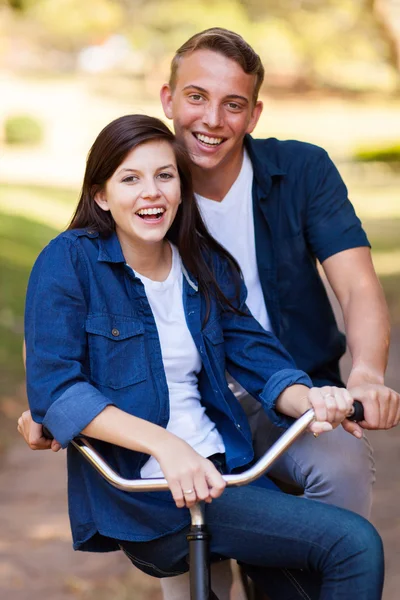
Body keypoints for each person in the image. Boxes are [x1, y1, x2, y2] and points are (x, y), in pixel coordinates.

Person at [18, 26, 399, 598]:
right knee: (292, 558)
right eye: (132, 179)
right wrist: (52, 406)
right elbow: (55, 361)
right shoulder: (75, 257)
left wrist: (328, 389)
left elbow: (264, 345)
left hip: (229, 444)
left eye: (165, 178)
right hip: (154, 479)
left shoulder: (205, 261)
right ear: (101, 193)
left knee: (313, 553)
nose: (153, 192)